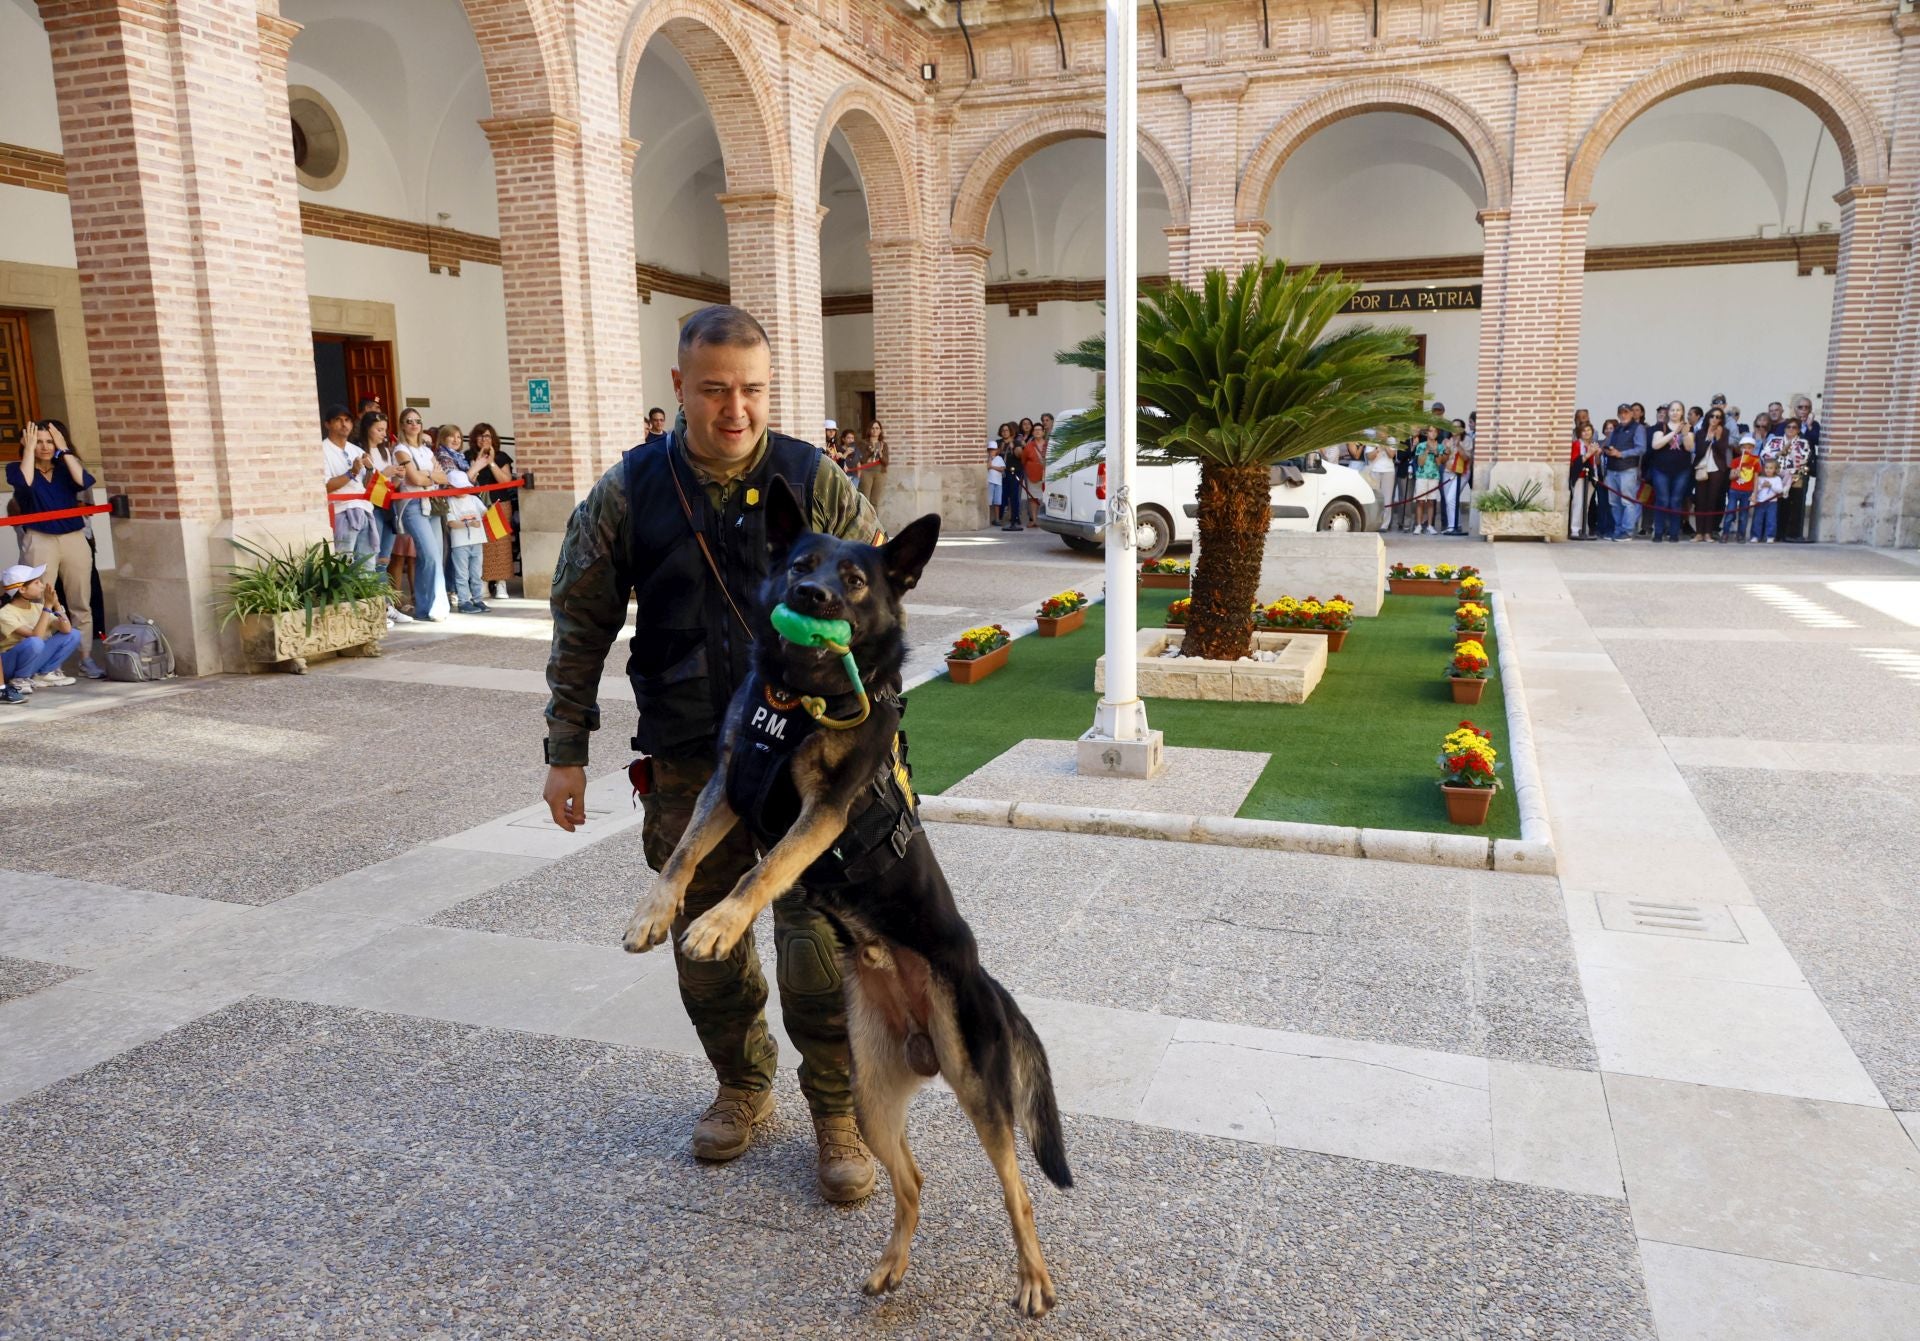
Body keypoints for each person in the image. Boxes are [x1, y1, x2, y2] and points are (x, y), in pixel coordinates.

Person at [542, 303, 880, 1203]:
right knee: (701, 944)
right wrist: (565, 747)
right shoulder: (629, 490)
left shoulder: (818, 480)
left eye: (754, 389)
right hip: (694, 756)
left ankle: (837, 1112)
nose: (737, 409)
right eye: (716, 390)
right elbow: (581, 620)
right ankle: (741, 1081)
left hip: (807, 756)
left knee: (817, 943)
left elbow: (877, 609)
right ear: (679, 388)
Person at [5, 421, 96, 676]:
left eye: (49, 441)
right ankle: (43, 664)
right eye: (39, 441)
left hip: (74, 538)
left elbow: (84, 480)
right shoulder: (16, 468)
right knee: (38, 602)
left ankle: (85, 657)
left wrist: (65, 450)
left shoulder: (66, 468)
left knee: (81, 601)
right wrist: (29, 449)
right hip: (40, 538)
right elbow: (24, 484)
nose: (45, 446)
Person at [391, 408, 448, 621]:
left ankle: (430, 606)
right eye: (409, 421)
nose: (414, 424)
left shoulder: (427, 451)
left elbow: (444, 477)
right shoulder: (401, 450)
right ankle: (433, 606)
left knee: (434, 556)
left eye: (417, 420)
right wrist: (429, 475)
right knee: (430, 555)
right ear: (403, 425)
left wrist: (427, 475)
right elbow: (414, 479)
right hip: (413, 504)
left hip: (432, 502)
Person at [1, 563, 83, 699]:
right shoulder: (5, 613)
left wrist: (56, 604)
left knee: (74, 634)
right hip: (10, 665)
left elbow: (66, 628)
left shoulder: (37, 607)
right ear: (22, 589)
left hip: (32, 660)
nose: (42, 586)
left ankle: (43, 675)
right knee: (34, 642)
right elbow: (36, 637)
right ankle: (19, 680)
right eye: (37, 583)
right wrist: (48, 606)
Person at [436, 425, 488, 613]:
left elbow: (486, 513)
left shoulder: (460, 458)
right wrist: (476, 467)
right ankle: (462, 598)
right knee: (461, 571)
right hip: (460, 539)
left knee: (475, 572)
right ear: (443, 438)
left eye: (459, 436)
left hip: (476, 539)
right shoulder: (443, 457)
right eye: (451, 437)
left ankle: (477, 599)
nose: (456, 440)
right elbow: (455, 478)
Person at [321, 405, 378, 566]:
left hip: (365, 509)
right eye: (338, 420)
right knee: (343, 564)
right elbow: (325, 486)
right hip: (341, 512)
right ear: (327, 424)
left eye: (347, 420)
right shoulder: (322, 449)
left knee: (367, 566)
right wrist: (351, 472)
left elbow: (368, 486)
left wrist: (368, 470)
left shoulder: (356, 450)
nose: (344, 424)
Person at [467, 423, 517, 599]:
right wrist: (479, 462)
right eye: (480, 436)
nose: (484, 439)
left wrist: (492, 463)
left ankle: (501, 583)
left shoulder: (502, 457)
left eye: (487, 436)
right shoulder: (468, 457)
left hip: (498, 504)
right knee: (482, 544)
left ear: (493, 438)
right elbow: (468, 480)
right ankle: (483, 582)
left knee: (500, 544)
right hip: (476, 504)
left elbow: (505, 481)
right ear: (474, 439)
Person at [1646, 399, 1694, 543]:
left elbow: (1690, 447)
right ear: (1668, 412)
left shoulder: (1688, 427)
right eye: (1672, 410)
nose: (1675, 412)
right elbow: (1656, 445)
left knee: (1676, 500)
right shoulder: (1661, 426)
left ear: (1682, 412)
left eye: (1678, 410)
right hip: (1661, 469)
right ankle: (1658, 533)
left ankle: (1674, 533)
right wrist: (1674, 432)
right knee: (1662, 500)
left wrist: (1684, 434)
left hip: (1682, 470)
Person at [1602, 402, 1646, 540]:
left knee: (1627, 502)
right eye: (1621, 412)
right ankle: (1618, 529)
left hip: (1628, 469)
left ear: (1632, 414)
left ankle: (1627, 531)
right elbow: (1607, 445)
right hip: (1612, 470)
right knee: (1614, 502)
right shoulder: (1616, 429)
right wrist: (1606, 450)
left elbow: (1641, 449)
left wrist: (1621, 454)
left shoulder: (1638, 428)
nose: (1623, 415)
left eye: (1626, 412)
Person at [1692, 407, 1732, 542]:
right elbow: (1699, 451)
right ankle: (1699, 532)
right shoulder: (1700, 432)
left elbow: (1722, 451)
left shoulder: (1724, 432)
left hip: (1716, 468)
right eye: (1713, 416)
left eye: (1718, 417)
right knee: (1700, 501)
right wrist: (1709, 437)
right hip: (1702, 467)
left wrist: (1718, 438)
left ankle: (1708, 532)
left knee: (1712, 501)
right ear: (1708, 417)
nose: (1715, 419)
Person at [1723, 434, 1759, 541]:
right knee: (1730, 512)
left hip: (1747, 491)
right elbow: (1730, 477)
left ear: (1753, 448)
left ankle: (1741, 535)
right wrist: (1735, 473)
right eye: (1744, 447)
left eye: (1749, 447)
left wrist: (1755, 493)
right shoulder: (1736, 461)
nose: (1746, 449)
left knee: (1744, 515)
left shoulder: (1755, 461)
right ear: (1740, 448)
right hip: (1734, 490)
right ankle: (1725, 533)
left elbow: (1756, 478)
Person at [1439, 424, 1472, 535]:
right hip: (1447, 473)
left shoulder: (1466, 440)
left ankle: (1452, 526)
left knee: (1450, 499)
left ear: (1462, 429)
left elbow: (1466, 457)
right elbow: (1442, 460)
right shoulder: (1446, 440)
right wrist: (1447, 450)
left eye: (1457, 426)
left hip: (1461, 473)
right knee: (1450, 501)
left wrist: (1458, 446)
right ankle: (1456, 525)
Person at [1568, 423, 1600, 540]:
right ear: (1579, 433)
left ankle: (1583, 527)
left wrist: (1597, 454)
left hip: (1590, 477)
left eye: (1588, 430)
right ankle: (1575, 529)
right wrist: (1589, 453)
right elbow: (1575, 461)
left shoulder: (1593, 444)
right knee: (1578, 503)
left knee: (1586, 504)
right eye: (1583, 430)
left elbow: (1596, 464)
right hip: (1580, 477)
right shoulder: (1576, 444)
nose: (1586, 432)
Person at [1413, 427, 1442, 534]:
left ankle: (1430, 525)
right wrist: (1426, 450)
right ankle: (1418, 525)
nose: (1433, 433)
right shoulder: (1421, 445)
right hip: (1422, 476)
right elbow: (1420, 463)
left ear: (1437, 433)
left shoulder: (1440, 446)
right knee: (1420, 501)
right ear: (1426, 433)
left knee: (1431, 501)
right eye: (1430, 431)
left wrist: (1436, 453)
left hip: (1434, 477)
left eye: (1435, 431)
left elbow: (1439, 463)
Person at [1751, 458, 1788, 544]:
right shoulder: (1760, 478)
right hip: (1760, 502)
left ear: (1775, 469)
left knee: (1771, 520)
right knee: (1757, 520)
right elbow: (1755, 489)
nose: (1768, 470)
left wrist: (1770, 486)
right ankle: (1755, 536)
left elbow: (1780, 490)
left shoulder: (1777, 479)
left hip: (1772, 503)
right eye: (1766, 468)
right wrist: (1762, 487)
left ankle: (1770, 536)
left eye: (1771, 468)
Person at [1365, 434, 1396, 531]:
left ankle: (1384, 525)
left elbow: (1391, 455)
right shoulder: (1371, 438)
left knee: (1387, 499)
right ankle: (1373, 523)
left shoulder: (1391, 439)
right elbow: (1369, 456)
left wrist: (1385, 445)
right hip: (1374, 470)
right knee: (1374, 498)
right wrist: (1378, 448)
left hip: (1388, 471)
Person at [859, 419, 890, 510]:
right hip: (866, 473)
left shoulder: (883, 444)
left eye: (877, 428)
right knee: (865, 499)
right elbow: (862, 460)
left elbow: (886, 462)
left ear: (880, 430)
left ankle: (874, 523)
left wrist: (880, 454)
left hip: (880, 473)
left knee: (875, 501)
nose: (875, 430)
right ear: (869, 430)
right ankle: (864, 522)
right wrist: (870, 452)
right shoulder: (863, 443)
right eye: (872, 428)